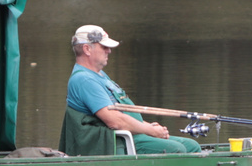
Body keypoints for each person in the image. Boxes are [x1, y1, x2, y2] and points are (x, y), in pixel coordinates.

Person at [62, 25, 201, 154]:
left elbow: (122, 112)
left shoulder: (99, 75)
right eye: (104, 47)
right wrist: (150, 131)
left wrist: (147, 126)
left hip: (133, 134)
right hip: (119, 141)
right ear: (87, 49)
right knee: (176, 150)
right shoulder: (84, 80)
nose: (109, 51)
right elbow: (115, 121)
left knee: (192, 146)